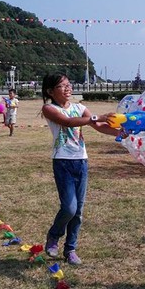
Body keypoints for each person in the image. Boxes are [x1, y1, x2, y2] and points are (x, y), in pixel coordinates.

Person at [41, 73, 120, 265]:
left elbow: (99, 126)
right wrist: (96, 117)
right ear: (50, 91)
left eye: (69, 85)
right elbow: (68, 122)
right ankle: (54, 235)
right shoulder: (49, 108)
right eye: (62, 86)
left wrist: (121, 132)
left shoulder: (80, 107)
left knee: (78, 211)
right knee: (69, 208)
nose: (68, 88)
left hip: (81, 161)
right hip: (62, 161)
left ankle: (70, 249)